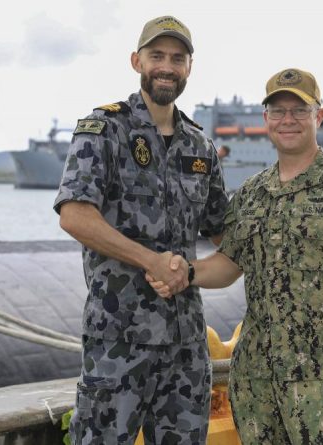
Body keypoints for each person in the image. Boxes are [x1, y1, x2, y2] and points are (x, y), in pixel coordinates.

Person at [149, 68, 323, 444]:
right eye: (278, 111)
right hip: (256, 377)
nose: (288, 120)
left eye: (299, 110)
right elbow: (229, 265)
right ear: (266, 119)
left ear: (319, 117)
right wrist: (184, 272)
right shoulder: (250, 195)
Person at [54, 15, 228, 445]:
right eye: (157, 56)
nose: (166, 66)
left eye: (177, 58)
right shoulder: (105, 130)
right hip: (119, 340)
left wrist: (190, 272)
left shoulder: (200, 147)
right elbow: (75, 215)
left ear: (189, 67)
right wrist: (152, 261)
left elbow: (228, 237)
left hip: (186, 345)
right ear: (137, 61)